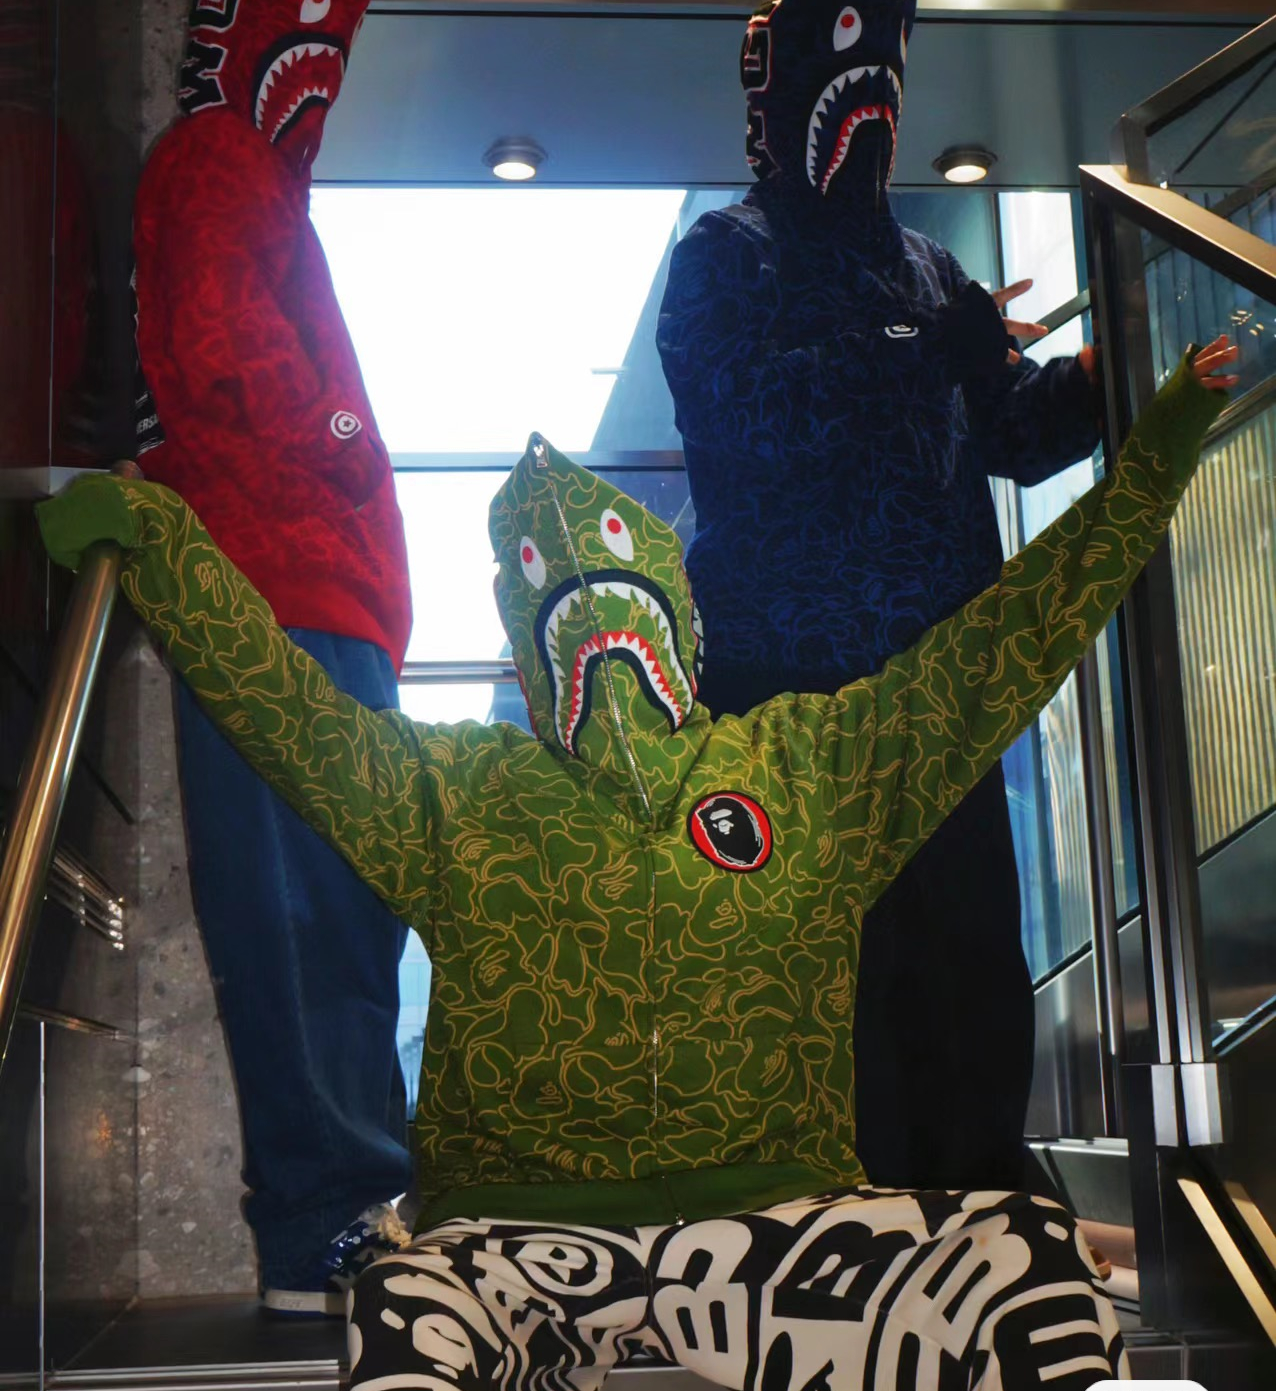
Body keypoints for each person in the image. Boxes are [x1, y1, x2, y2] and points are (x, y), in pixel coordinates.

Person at [38, 336, 1235, 1389]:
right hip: (516, 1242)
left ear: (678, 603)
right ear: (519, 642)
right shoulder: (456, 788)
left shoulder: (807, 764)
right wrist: (159, 543)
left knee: (1024, 1260)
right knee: (405, 1306)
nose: (577, 580)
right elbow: (286, 710)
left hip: (781, 1228)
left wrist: (1160, 446)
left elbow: (1012, 636)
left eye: (614, 553)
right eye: (538, 574)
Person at [656, 0, 1102, 1191]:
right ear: (777, 91)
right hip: (786, 691)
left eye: (889, 76)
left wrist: (1097, 379)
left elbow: (1011, 436)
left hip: (938, 686)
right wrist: (919, 345)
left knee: (964, 947)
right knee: (828, 959)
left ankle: (977, 1193)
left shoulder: (927, 264)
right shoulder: (726, 252)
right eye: (848, 67)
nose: (875, 103)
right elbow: (744, 419)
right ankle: (834, 1196)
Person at [131, 0, 414, 1312]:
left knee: (343, 917)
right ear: (237, 24)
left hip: (315, 594)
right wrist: (341, 435)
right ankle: (324, 1227)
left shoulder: (249, 178)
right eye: (309, 24)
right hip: (276, 590)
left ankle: (349, 1208)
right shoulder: (214, 160)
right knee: (302, 915)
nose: (324, 65)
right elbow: (217, 342)